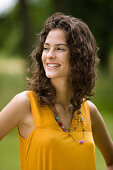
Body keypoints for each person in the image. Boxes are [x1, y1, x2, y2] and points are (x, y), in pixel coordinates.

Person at [0, 12, 113, 170]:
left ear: (78, 56)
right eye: (46, 48)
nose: (50, 55)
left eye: (60, 49)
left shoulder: (89, 111)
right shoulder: (25, 103)